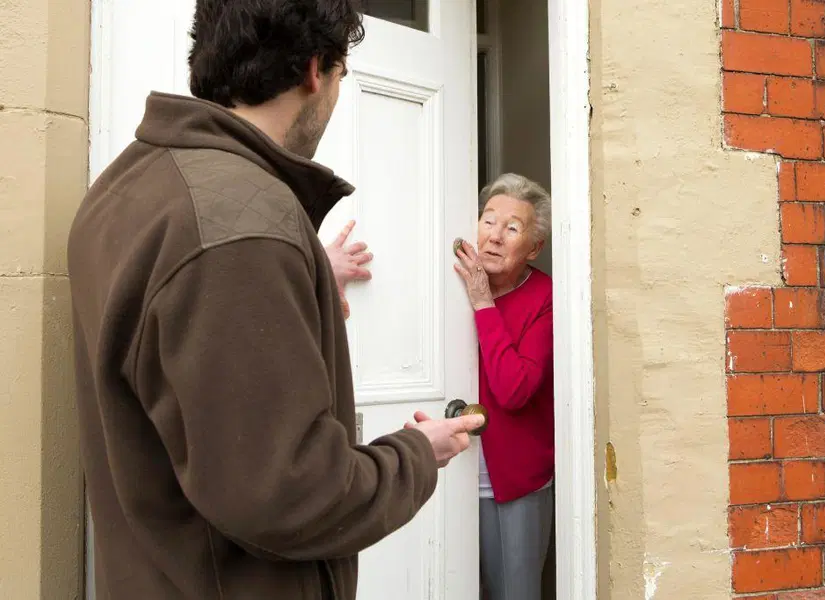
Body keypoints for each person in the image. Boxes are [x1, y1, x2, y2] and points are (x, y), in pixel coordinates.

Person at [66, 1, 484, 598]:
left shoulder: (127, 187)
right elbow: (290, 494)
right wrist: (418, 453)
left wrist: (301, 283)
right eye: (342, 77)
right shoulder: (242, 229)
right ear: (316, 70)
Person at [453, 173, 554, 600]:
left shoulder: (546, 297)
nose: (494, 237)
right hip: (447, 470)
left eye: (511, 228)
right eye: (488, 221)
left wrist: (482, 303)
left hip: (512, 481)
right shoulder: (446, 283)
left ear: (534, 247)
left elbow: (515, 389)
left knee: (513, 592)